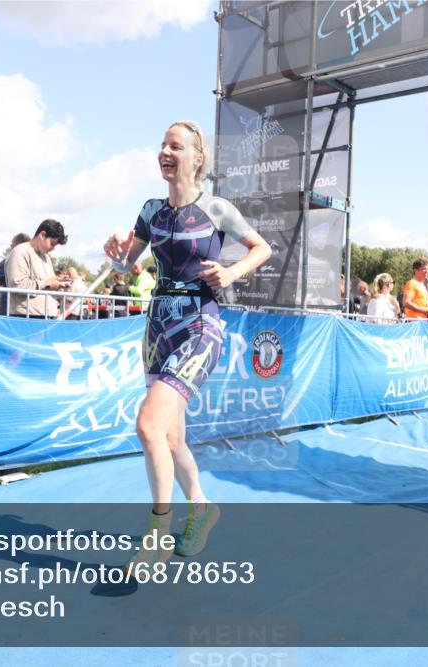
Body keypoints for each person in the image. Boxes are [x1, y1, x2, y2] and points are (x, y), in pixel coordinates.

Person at [103, 119, 271, 566]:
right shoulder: (151, 211)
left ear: (197, 158)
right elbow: (126, 269)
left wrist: (232, 272)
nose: (164, 151)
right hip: (158, 328)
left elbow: (262, 248)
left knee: (148, 425)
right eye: (161, 144)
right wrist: (115, 256)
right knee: (172, 439)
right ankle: (202, 507)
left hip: (200, 327)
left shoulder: (217, 208)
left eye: (175, 146)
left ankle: (158, 531)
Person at [5, 219, 68, 318]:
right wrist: (48, 284)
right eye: (51, 243)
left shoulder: (46, 257)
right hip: (27, 319)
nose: (53, 248)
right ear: (42, 235)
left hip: (46, 318)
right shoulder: (21, 252)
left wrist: (57, 283)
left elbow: (46, 283)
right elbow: (17, 285)